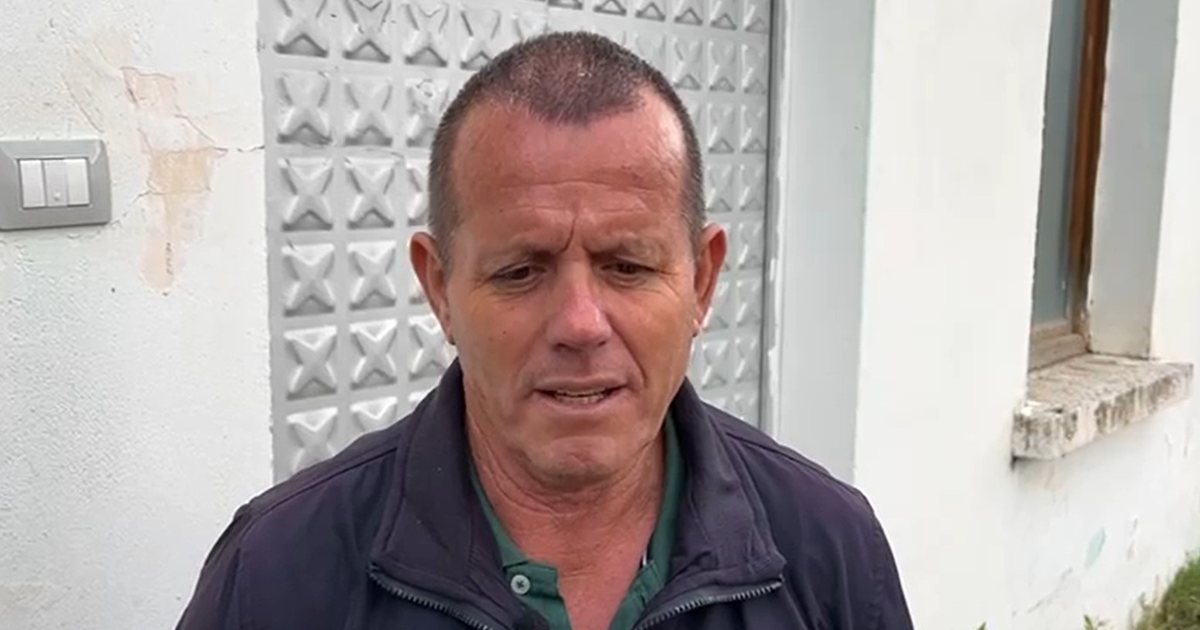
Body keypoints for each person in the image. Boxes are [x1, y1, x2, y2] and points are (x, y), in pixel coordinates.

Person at [177, 32, 913, 630]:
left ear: (702, 281)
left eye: (628, 266)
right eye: (521, 271)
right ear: (440, 288)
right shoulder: (278, 575)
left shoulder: (829, 552)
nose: (580, 324)